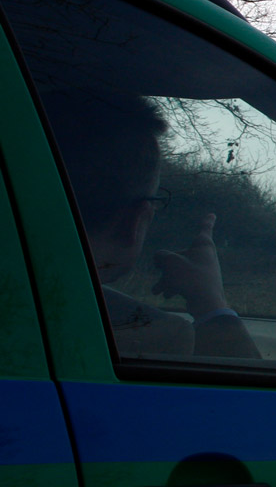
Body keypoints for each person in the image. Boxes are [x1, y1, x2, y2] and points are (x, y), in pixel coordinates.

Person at [44, 90, 258, 359]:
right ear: (133, 222)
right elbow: (247, 399)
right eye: (155, 201)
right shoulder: (154, 336)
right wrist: (211, 304)